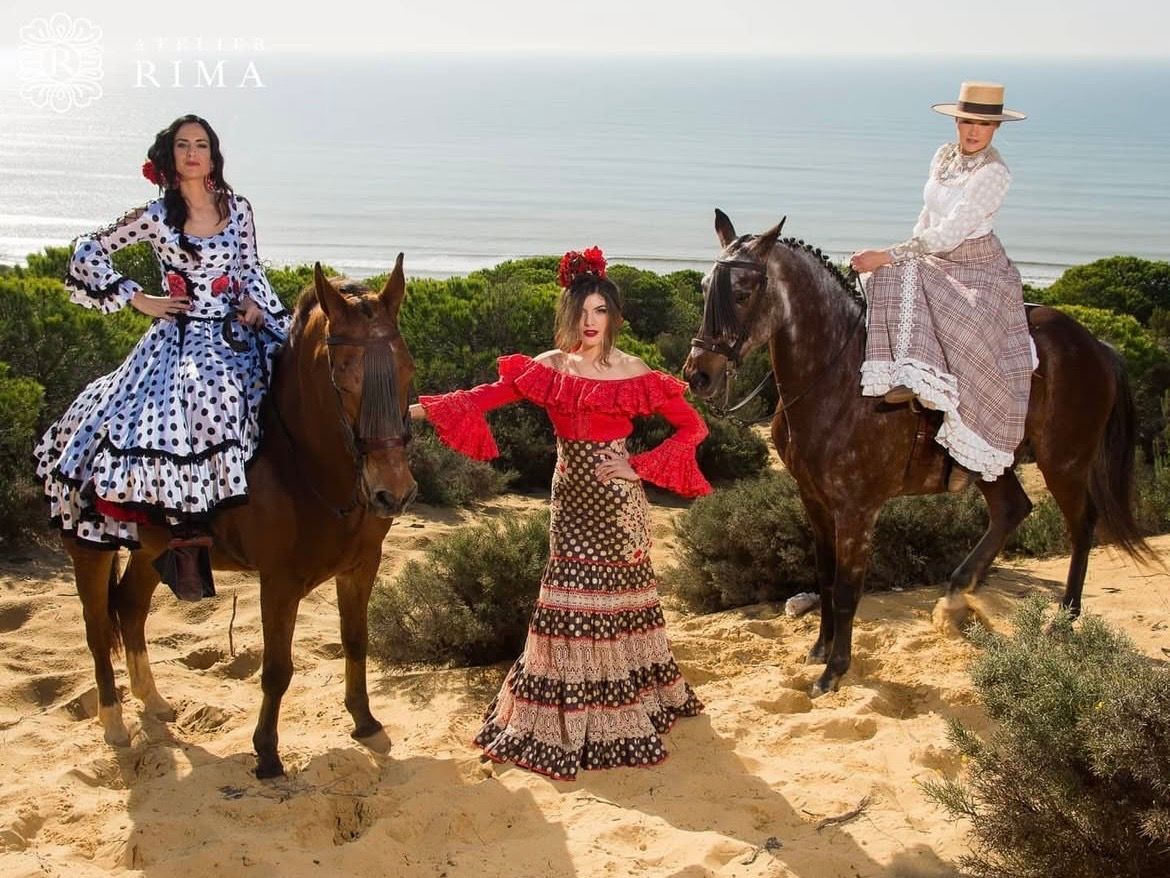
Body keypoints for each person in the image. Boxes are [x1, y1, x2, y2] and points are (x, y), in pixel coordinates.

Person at [409, 246, 710, 781]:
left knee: (619, 604)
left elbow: (694, 428)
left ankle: (625, 706)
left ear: (613, 316)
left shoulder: (637, 371)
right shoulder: (550, 368)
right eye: (581, 311)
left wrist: (638, 467)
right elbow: (486, 398)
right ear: (569, 315)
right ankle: (562, 715)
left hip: (620, 504)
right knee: (566, 601)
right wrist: (414, 409)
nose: (590, 322)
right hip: (570, 499)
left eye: (600, 311)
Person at [35, 114, 290, 599]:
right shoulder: (155, 216)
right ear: (169, 156)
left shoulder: (238, 207)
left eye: (202, 144)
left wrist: (256, 303)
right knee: (206, 398)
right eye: (183, 145)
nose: (193, 152)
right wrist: (139, 298)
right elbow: (86, 251)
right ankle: (188, 539)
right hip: (181, 339)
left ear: (213, 155)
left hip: (238, 327)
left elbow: (250, 266)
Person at [849, 82, 1033, 493]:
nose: (973, 131)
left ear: (996, 129)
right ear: (956, 120)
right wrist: (901, 250)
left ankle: (964, 434)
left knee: (910, 284)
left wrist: (891, 254)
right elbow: (928, 215)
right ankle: (899, 370)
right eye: (967, 121)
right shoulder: (944, 156)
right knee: (879, 278)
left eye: (984, 124)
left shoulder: (994, 173)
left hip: (976, 265)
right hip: (935, 252)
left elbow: (952, 233)